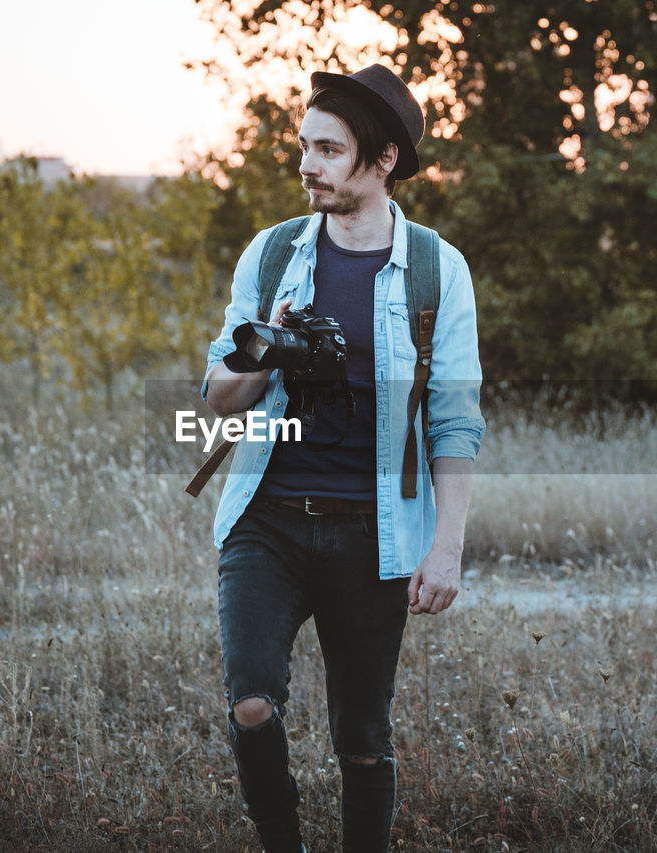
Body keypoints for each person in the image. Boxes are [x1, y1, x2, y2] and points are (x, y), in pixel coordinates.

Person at [201, 63, 485, 853]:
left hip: (375, 532)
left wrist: (447, 546)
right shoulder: (272, 254)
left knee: (362, 735)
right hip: (267, 520)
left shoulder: (436, 268)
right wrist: (267, 348)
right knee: (251, 702)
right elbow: (218, 395)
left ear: (383, 158)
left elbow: (455, 421)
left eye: (328, 149)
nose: (306, 165)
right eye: (303, 146)